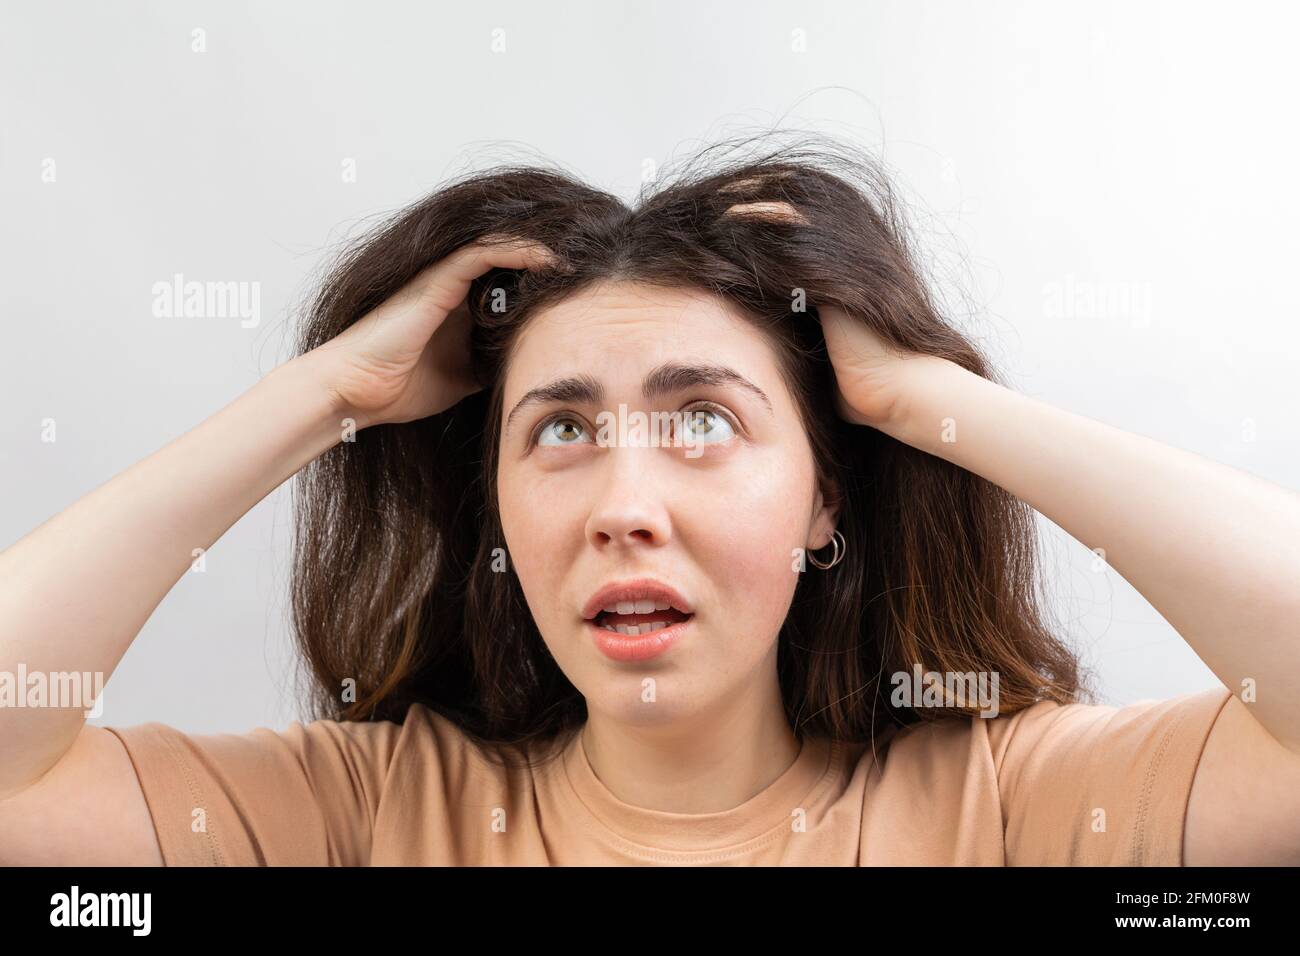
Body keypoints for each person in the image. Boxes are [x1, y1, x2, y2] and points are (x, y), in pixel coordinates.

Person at [2, 136, 1298, 866]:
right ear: (498, 508)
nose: (626, 502)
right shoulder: (363, 817)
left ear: (823, 503)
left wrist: (920, 402)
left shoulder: (1010, 808)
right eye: (560, 428)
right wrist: (324, 400)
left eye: (703, 420)